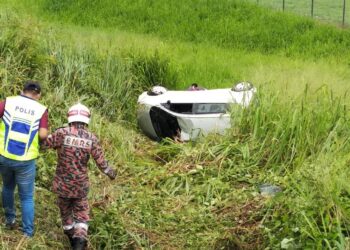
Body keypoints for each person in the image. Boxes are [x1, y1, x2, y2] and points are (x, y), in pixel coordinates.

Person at [41, 103, 116, 250]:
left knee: (66, 214)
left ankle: (71, 238)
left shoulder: (61, 133)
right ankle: (79, 243)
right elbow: (102, 164)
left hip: (62, 185)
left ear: (70, 117)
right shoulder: (92, 138)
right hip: (80, 186)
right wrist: (111, 173)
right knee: (81, 215)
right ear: (87, 119)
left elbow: (43, 145)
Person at [0, 81, 49, 237]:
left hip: (5, 155)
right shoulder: (40, 109)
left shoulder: (9, 102)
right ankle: (27, 233)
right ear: (38, 94)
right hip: (26, 160)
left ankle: (10, 221)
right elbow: (42, 134)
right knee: (26, 197)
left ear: (23, 91)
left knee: (7, 188)